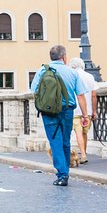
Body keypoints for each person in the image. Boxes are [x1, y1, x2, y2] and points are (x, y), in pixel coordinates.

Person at [31, 46, 89, 186]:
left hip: (49, 112)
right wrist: (85, 115)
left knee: (55, 142)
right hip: (67, 111)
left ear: (51, 57)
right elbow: (80, 95)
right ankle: (66, 172)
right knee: (65, 141)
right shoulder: (72, 72)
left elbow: (34, 90)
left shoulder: (42, 71)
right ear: (64, 57)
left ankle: (62, 174)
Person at [70, 57, 97, 164]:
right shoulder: (90, 76)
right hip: (88, 110)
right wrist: (94, 111)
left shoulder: (72, 75)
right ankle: (83, 152)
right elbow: (94, 94)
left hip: (75, 109)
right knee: (84, 133)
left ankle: (83, 155)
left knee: (78, 132)